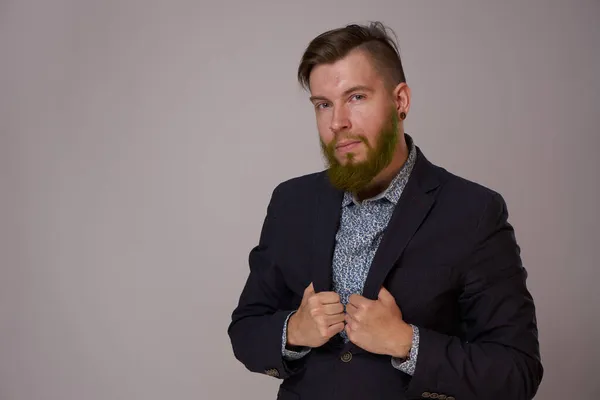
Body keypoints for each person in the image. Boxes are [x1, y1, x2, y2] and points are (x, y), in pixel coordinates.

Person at [227, 21, 543, 400]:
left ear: (400, 101)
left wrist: (407, 343)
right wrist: (293, 330)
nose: (337, 122)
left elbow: (516, 373)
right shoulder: (290, 202)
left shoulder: (474, 212)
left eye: (356, 97)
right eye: (323, 104)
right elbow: (245, 331)